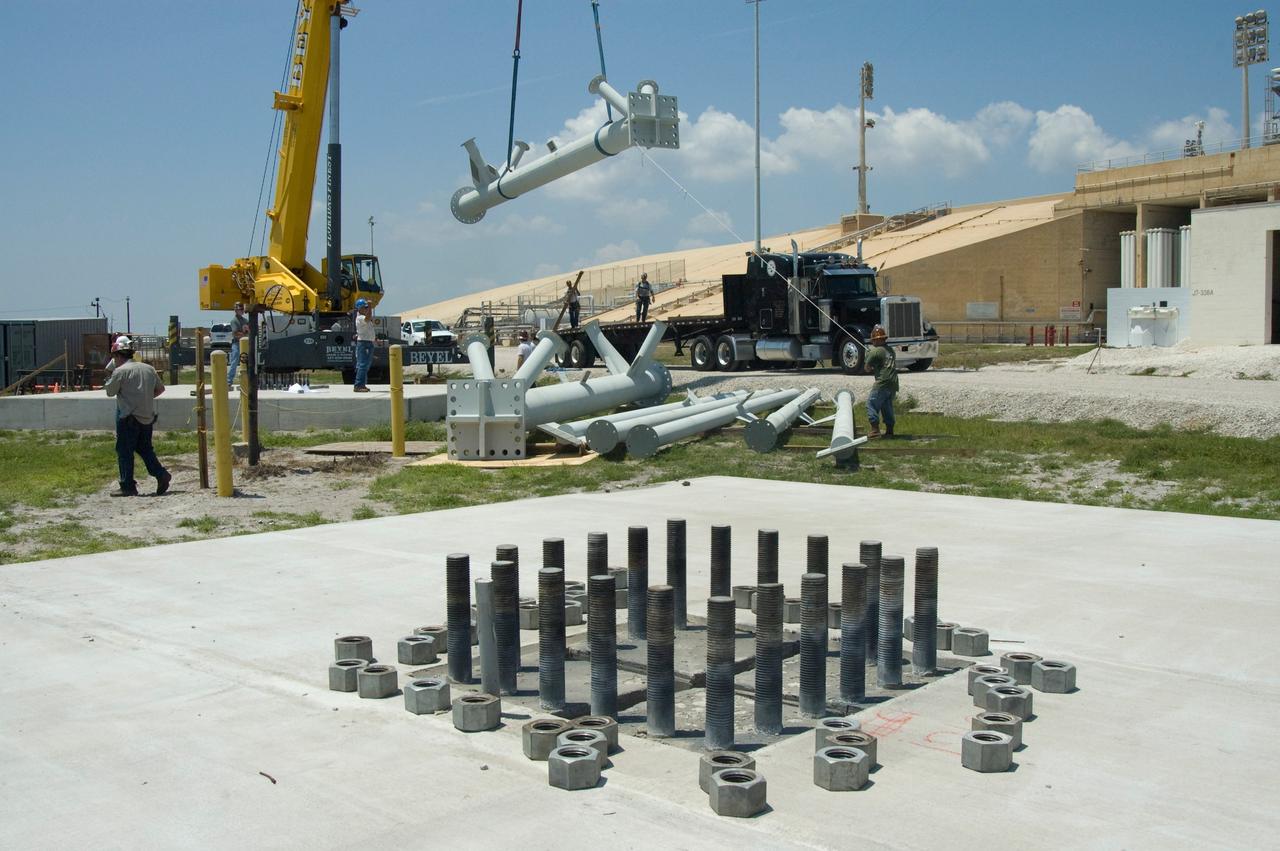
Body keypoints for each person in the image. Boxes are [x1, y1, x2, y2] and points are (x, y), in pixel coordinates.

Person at [103, 336, 171, 497]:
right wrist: (144, 398)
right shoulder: (148, 369)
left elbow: (109, 391)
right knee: (145, 449)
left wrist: (111, 372)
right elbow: (160, 389)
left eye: (114, 357)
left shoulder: (120, 372)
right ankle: (161, 474)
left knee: (124, 451)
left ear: (118, 355)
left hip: (128, 418)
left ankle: (127, 486)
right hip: (146, 416)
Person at [863, 324, 898, 439]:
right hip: (893, 383)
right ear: (884, 338)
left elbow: (867, 368)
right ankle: (889, 430)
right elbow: (883, 364)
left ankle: (875, 430)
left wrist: (868, 356)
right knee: (886, 406)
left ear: (875, 340)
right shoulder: (890, 350)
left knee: (871, 404)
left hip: (882, 382)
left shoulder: (875, 351)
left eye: (874, 340)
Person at [353, 298, 376, 392]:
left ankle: (362, 384)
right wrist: (370, 306)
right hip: (364, 343)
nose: (366, 309)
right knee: (363, 365)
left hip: (368, 342)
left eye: (367, 307)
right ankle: (358, 385)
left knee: (366, 365)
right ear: (359, 308)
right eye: (365, 307)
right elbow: (368, 317)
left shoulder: (364, 317)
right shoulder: (360, 318)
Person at [226, 302, 249, 389]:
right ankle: (229, 381)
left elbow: (250, 330)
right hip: (236, 343)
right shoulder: (234, 321)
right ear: (236, 310)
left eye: (242, 309)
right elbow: (235, 333)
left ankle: (246, 380)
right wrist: (245, 333)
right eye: (239, 309)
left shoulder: (245, 320)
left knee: (247, 362)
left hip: (245, 343)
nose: (241, 311)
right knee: (234, 361)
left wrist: (245, 333)